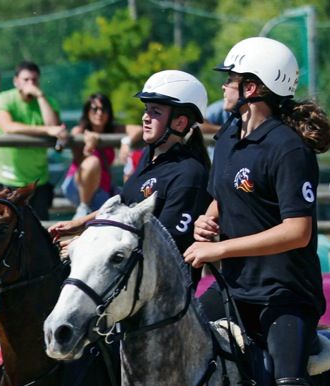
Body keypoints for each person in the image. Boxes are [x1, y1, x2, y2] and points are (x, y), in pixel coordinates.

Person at [184, 37, 330, 386]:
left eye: (230, 80)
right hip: (234, 290)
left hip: (285, 295)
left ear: (252, 89)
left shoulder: (289, 149)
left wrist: (220, 249)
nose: (224, 87)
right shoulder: (229, 136)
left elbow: (297, 231)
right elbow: (222, 196)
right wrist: (208, 220)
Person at [51, 70, 211, 267]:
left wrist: (88, 244)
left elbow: (164, 246)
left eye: (155, 112)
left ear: (180, 123)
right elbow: (124, 203)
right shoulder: (148, 155)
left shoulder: (189, 174)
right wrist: (81, 224)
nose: (145, 117)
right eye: (146, 109)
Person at [0, 60, 67, 220]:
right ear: (16, 81)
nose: (31, 84)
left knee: (39, 227)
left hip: (38, 180)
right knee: (7, 228)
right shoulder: (3, 98)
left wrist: (40, 96)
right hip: (8, 179)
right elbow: (8, 127)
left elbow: (54, 127)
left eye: (34, 80)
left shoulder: (48, 101)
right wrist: (46, 130)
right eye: (26, 80)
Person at [64, 93, 128, 217]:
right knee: (92, 161)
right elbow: (79, 159)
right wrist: (89, 147)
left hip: (102, 190)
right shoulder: (79, 131)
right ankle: (84, 207)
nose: (99, 113)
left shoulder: (113, 130)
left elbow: (138, 130)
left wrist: (126, 141)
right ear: (87, 112)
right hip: (78, 187)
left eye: (104, 109)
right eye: (95, 109)